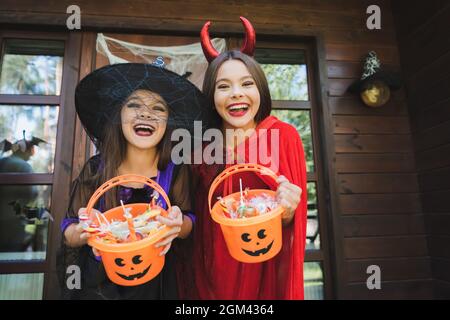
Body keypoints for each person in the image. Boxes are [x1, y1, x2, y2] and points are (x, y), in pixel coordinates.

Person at [57, 62, 209, 299]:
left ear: (169, 122)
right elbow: (69, 230)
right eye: (134, 104)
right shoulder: (96, 169)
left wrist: (178, 225)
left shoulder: (176, 171)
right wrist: (84, 231)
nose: (146, 113)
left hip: (156, 285)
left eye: (158, 108)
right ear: (119, 114)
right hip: (99, 285)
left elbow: (188, 222)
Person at [188, 17, 307, 299]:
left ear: (260, 89)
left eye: (246, 83)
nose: (236, 94)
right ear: (212, 96)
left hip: (263, 267)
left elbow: (293, 221)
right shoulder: (200, 147)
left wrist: (288, 210)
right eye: (223, 86)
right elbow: (196, 215)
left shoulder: (284, 135)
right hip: (211, 274)